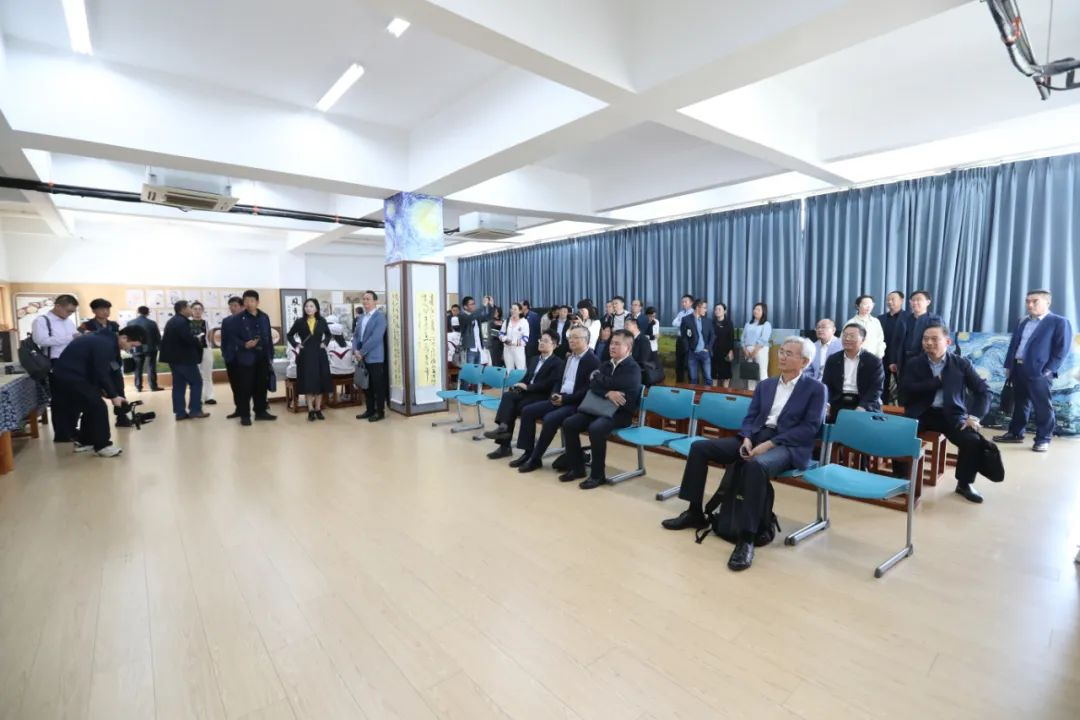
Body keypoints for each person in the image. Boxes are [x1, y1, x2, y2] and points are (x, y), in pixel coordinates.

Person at [662, 337, 825, 572]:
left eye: (789, 353)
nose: (782, 356)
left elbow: (809, 428)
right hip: (754, 437)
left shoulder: (816, 389)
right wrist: (747, 437)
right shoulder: (766, 385)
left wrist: (769, 444)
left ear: (805, 361)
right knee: (700, 448)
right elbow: (751, 417)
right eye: (782, 351)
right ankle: (694, 512)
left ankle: (747, 538)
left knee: (755, 466)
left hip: (787, 445)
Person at [900, 324, 992, 503]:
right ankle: (901, 478)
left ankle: (964, 484)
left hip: (952, 414)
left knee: (972, 440)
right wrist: (935, 382)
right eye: (925, 339)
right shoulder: (914, 363)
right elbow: (905, 389)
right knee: (900, 433)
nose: (928, 343)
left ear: (948, 342)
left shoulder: (961, 364)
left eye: (934, 339)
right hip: (922, 413)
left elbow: (984, 391)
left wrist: (974, 416)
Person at [559, 330, 642, 488]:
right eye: (611, 343)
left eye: (617, 344)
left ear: (628, 348)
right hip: (598, 407)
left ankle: (598, 475)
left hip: (620, 413)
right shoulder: (606, 364)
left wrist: (600, 379)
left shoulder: (633, 368)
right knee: (569, 423)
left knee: (596, 428)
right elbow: (592, 384)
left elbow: (618, 385)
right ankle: (577, 468)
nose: (612, 346)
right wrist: (607, 392)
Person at [993, 289, 1073, 453]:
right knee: (1020, 404)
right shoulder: (1022, 321)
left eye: (1035, 301)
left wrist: (1049, 370)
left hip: (1040, 372)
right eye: (1028, 301)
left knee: (1042, 407)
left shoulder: (1059, 322)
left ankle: (1043, 439)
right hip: (1018, 368)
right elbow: (1014, 345)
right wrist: (1009, 366)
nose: (1030, 305)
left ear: (1047, 302)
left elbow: (1061, 349)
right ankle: (1016, 433)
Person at [50, 325, 146, 457]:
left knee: (91, 406)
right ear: (124, 338)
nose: (131, 349)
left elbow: (107, 370)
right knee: (98, 407)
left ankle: (86, 441)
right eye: (132, 345)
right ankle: (103, 445)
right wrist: (113, 396)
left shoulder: (106, 340)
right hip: (71, 377)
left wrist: (112, 393)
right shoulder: (104, 344)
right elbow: (101, 371)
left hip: (74, 376)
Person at [513, 327, 601, 472]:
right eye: (570, 337)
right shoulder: (569, 357)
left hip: (575, 403)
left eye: (575, 337)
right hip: (560, 398)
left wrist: (564, 399)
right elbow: (559, 380)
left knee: (550, 419)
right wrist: (554, 394)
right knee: (527, 411)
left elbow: (587, 390)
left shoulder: (593, 361)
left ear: (586, 340)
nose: (571, 340)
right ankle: (527, 453)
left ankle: (535, 458)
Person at [482, 331, 564, 458]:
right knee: (508, 396)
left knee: (517, 407)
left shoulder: (558, 363)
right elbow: (526, 378)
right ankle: (503, 428)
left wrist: (529, 387)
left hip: (541, 396)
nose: (541, 343)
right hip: (528, 393)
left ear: (554, 345)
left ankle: (512, 448)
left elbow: (549, 384)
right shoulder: (534, 359)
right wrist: (519, 385)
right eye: (540, 340)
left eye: (545, 341)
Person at [32, 295, 81, 442]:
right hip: (56, 362)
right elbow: (41, 340)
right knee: (61, 399)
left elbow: (73, 339)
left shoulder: (69, 322)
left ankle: (72, 429)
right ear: (58, 306)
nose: (70, 314)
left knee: (74, 397)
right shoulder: (42, 321)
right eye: (68, 311)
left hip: (73, 361)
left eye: (72, 312)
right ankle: (62, 433)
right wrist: (70, 338)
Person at [229, 290, 276, 426]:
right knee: (245, 387)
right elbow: (233, 337)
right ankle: (245, 415)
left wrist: (270, 354)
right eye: (246, 301)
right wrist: (244, 344)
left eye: (251, 301)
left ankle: (260, 411)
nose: (248, 303)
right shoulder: (238, 318)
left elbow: (268, 337)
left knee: (261, 386)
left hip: (262, 356)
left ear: (257, 302)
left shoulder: (264, 317)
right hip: (246, 357)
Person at [822, 323, 884, 422]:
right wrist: (827, 403)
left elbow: (876, 389)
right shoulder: (833, 359)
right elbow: (826, 385)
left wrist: (863, 407)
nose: (847, 339)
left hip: (863, 402)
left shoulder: (873, 361)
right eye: (845, 335)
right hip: (838, 402)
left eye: (852, 336)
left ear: (863, 339)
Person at [159, 300, 209, 421]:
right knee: (196, 382)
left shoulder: (172, 321)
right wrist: (197, 340)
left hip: (174, 359)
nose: (191, 310)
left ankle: (180, 412)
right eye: (189, 307)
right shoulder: (182, 322)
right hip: (185, 359)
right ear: (183, 309)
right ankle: (195, 410)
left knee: (179, 386)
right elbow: (188, 339)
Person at [287, 298, 333, 422]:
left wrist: (325, 342)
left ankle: (318, 409)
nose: (308, 308)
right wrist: (296, 344)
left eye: (311, 306)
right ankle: (310, 410)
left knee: (320, 381)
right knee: (308, 382)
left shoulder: (321, 321)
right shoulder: (300, 321)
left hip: (319, 354)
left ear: (316, 308)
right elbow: (289, 335)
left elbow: (328, 334)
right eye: (306, 306)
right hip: (306, 354)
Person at [354, 291, 388, 422]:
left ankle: (380, 412)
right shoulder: (361, 317)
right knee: (366, 385)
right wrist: (355, 350)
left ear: (375, 301)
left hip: (375, 357)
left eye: (368, 299)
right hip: (361, 356)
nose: (365, 301)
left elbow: (376, 338)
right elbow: (356, 336)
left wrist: (361, 352)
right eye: (363, 299)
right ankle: (369, 410)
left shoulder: (380, 317)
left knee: (377, 385)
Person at [879, 290, 908, 405]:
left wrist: (896, 360)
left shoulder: (908, 317)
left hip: (900, 359)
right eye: (888, 300)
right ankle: (881, 411)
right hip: (882, 358)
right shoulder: (880, 318)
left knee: (903, 389)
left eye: (893, 299)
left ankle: (902, 412)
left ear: (901, 301)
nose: (889, 302)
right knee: (881, 387)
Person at [901, 290, 943, 367]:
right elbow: (897, 341)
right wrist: (894, 361)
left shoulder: (935, 320)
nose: (915, 302)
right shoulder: (904, 319)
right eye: (913, 300)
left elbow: (938, 342)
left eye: (918, 300)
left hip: (926, 361)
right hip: (904, 360)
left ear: (928, 302)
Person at [220, 296, 244, 419]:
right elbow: (223, 339)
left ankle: (250, 409)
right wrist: (224, 353)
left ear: (242, 307)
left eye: (235, 305)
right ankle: (239, 408)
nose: (232, 308)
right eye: (230, 306)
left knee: (246, 384)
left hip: (245, 358)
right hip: (231, 358)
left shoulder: (248, 320)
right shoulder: (226, 321)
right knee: (235, 385)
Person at [129, 306, 162, 393]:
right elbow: (157, 337)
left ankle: (138, 387)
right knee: (151, 367)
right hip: (150, 349)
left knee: (137, 368)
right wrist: (160, 347)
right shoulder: (152, 323)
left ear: (138, 312)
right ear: (148, 313)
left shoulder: (130, 323)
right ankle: (153, 386)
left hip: (136, 349)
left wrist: (130, 348)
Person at [681, 298, 713, 385]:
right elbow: (684, 337)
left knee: (708, 378)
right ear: (698, 307)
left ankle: (707, 393)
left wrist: (707, 348)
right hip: (692, 353)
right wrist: (688, 349)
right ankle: (694, 393)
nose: (706, 310)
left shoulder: (708, 321)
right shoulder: (686, 319)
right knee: (693, 378)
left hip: (705, 353)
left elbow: (713, 336)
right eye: (704, 308)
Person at [189, 301, 216, 405]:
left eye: (200, 309)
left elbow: (210, 337)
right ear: (191, 310)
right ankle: (198, 398)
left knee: (207, 374)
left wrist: (208, 347)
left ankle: (209, 397)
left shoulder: (207, 322)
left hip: (206, 350)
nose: (197, 311)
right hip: (192, 351)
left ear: (202, 311)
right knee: (195, 375)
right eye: (195, 309)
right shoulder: (187, 323)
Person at [846, 295, 886, 359]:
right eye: (865, 304)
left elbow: (880, 340)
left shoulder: (876, 322)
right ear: (857, 306)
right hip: (856, 358)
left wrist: (879, 355)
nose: (868, 306)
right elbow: (845, 342)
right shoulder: (851, 323)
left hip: (874, 358)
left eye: (871, 304)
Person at [741, 302, 773, 383]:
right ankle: (750, 391)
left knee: (762, 373)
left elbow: (764, 339)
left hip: (760, 350)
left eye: (758, 310)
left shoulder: (766, 324)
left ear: (763, 312)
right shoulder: (748, 324)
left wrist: (755, 351)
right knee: (750, 375)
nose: (755, 311)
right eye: (755, 309)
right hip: (747, 351)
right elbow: (742, 338)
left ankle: (763, 390)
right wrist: (745, 350)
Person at [458, 295, 493, 366]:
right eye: (471, 304)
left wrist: (491, 306)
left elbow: (488, 317)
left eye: (474, 303)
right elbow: (471, 317)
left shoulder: (476, 316)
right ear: (465, 307)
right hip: (469, 349)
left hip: (478, 348)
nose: (474, 306)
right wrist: (483, 306)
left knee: (477, 370)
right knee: (469, 370)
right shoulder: (462, 316)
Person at [498, 303, 530, 371]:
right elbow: (501, 333)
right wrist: (504, 339)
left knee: (521, 369)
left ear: (520, 311)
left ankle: (521, 379)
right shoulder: (507, 321)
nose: (512, 311)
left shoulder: (524, 322)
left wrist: (513, 342)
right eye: (512, 309)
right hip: (507, 349)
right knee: (509, 370)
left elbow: (525, 338)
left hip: (518, 349)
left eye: (515, 309)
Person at [671, 294, 695, 383]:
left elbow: (689, 325)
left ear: (691, 303)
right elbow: (674, 323)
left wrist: (681, 321)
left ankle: (690, 385)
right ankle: (679, 384)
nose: (683, 303)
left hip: (688, 340)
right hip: (680, 340)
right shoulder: (681, 313)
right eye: (682, 302)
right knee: (679, 363)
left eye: (685, 302)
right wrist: (682, 322)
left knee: (688, 364)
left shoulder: (693, 313)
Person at [711, 303, 736, 388]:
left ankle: (725, 392)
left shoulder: (729, 323)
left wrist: (731, 351)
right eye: (716, 309)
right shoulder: (712, 323)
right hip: (714, 353)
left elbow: (731, 338)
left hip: (725, 352)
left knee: (726, 375)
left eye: (719, 309)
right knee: (714, 375)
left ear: (724, 311)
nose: (717, 311)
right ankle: (713, 392)